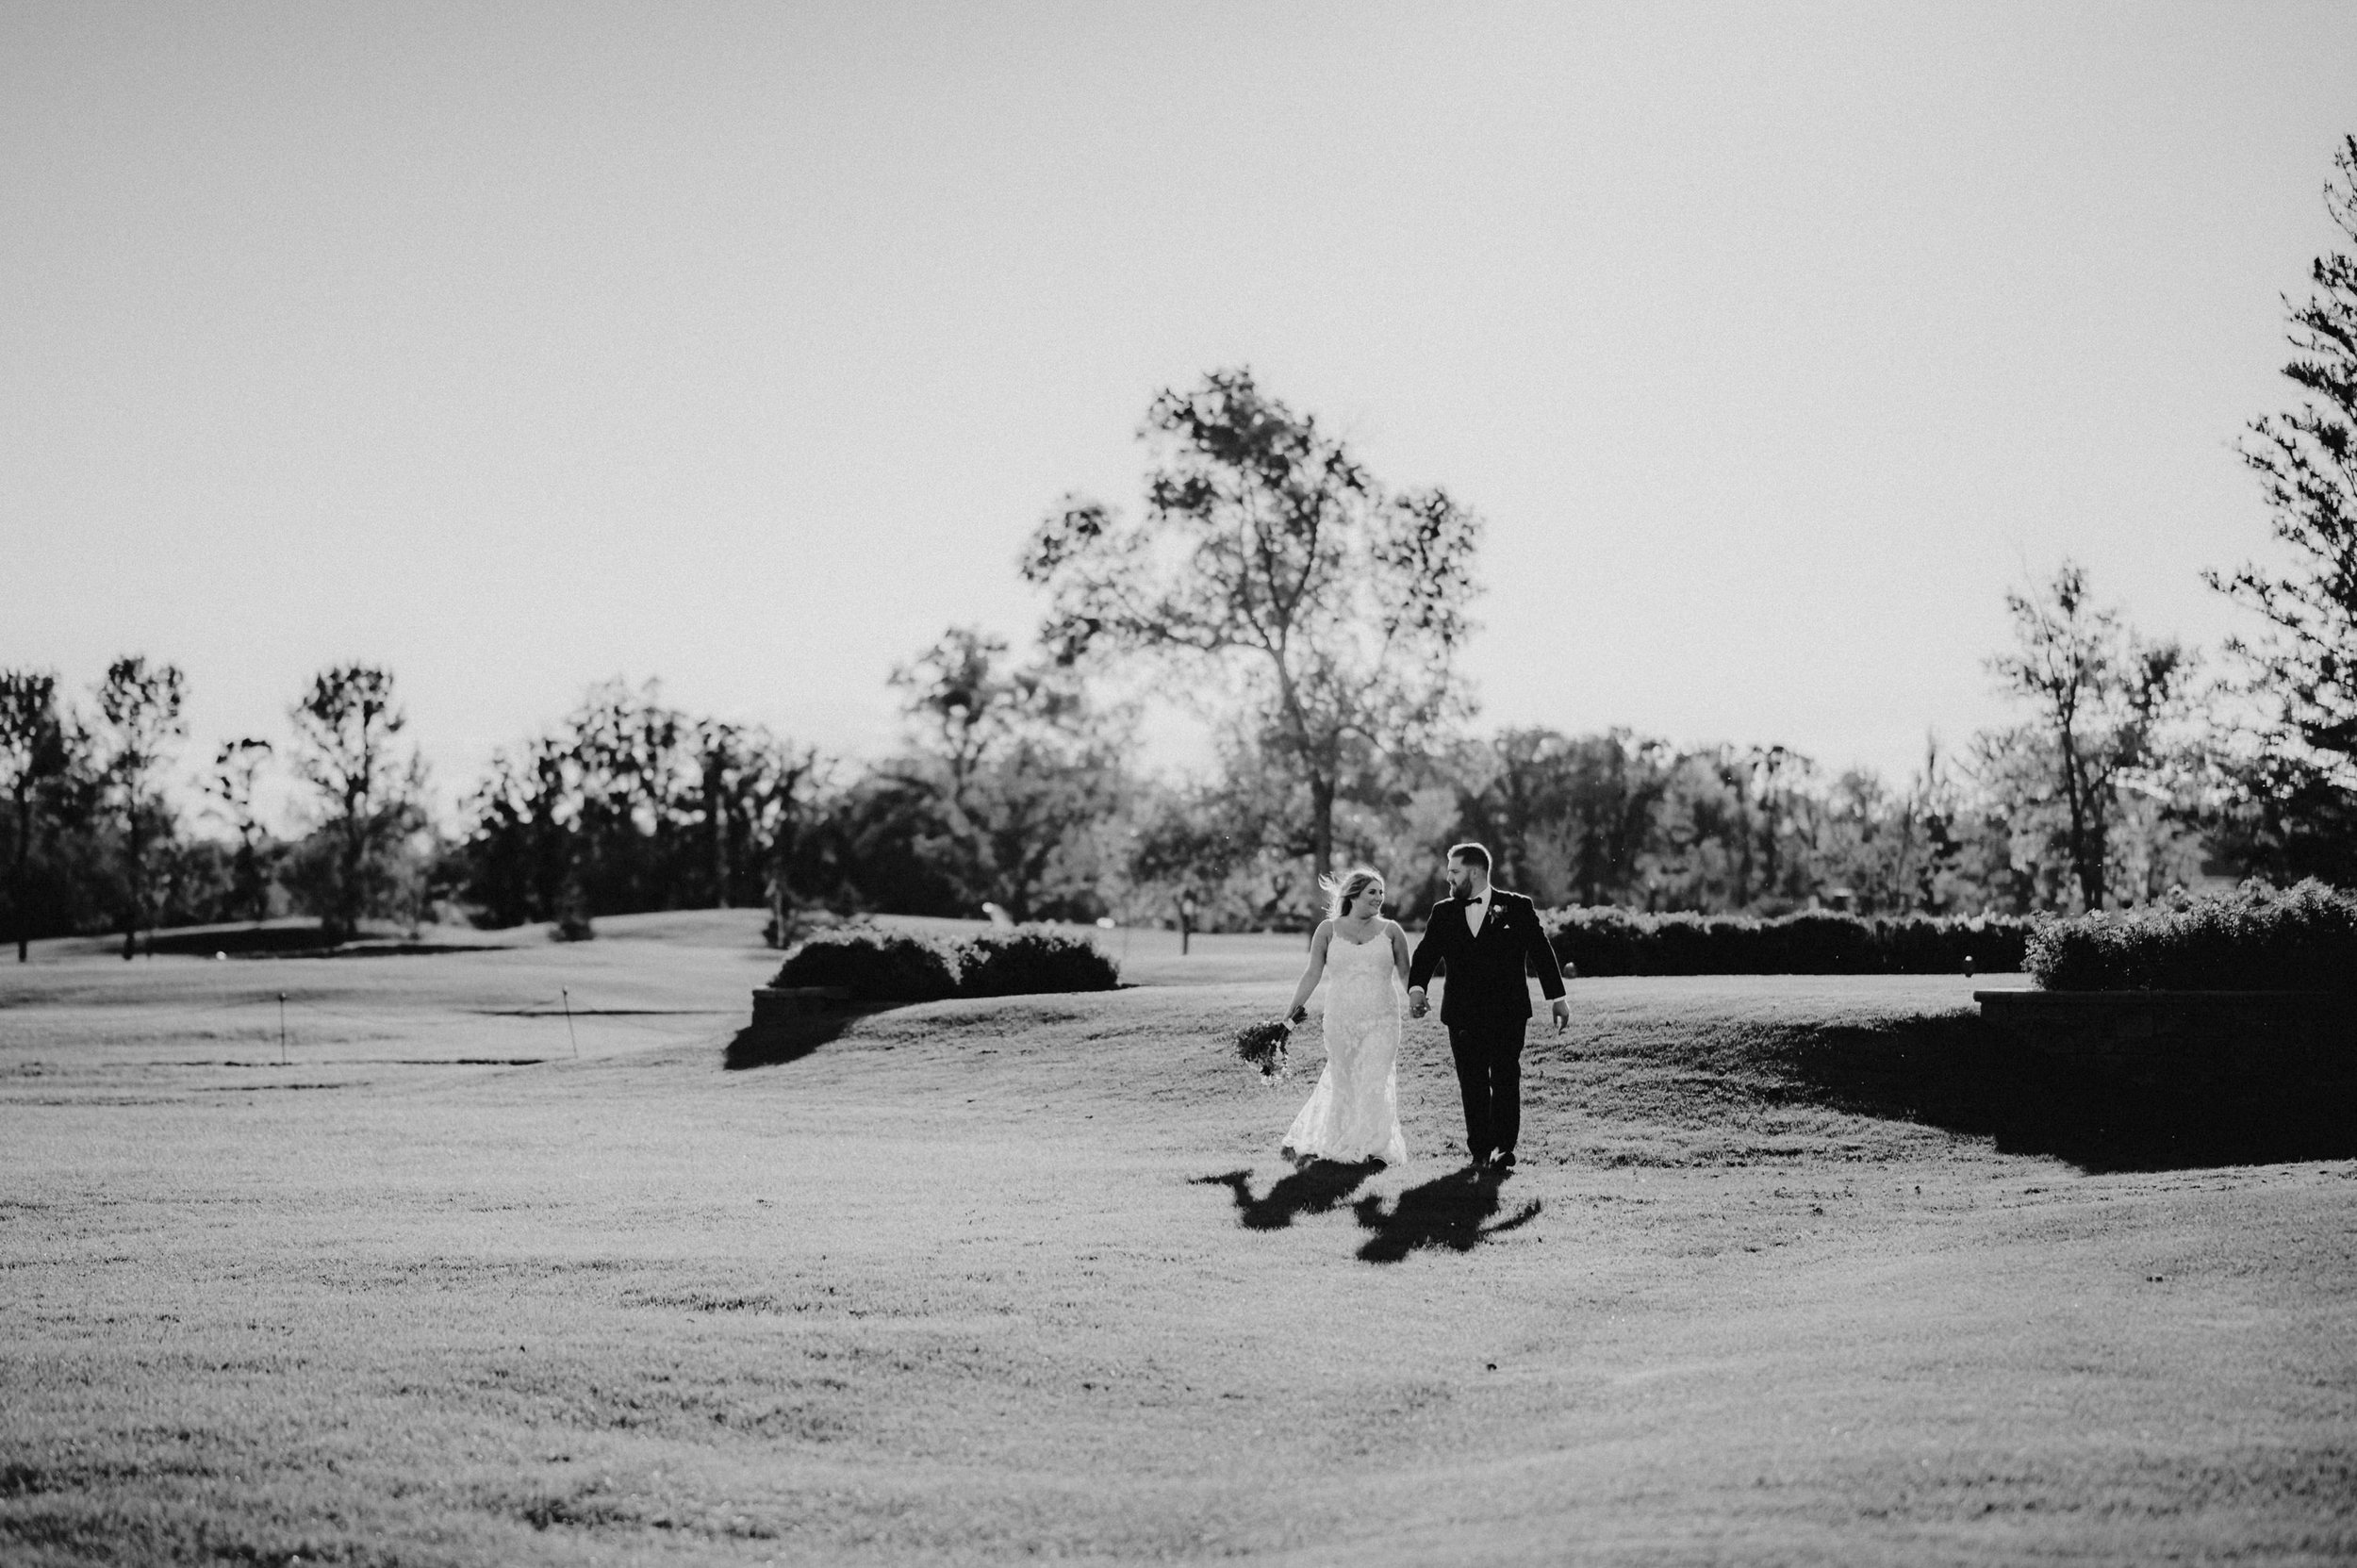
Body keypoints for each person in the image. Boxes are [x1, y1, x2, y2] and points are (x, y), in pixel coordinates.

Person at [1407, 842, 1570, 1173]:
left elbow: (1541, 951)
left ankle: (1503, 1149)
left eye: (1454, 871)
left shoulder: (1517, 907)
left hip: (1507, 1012)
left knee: (1507, 1077)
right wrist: (1416, 989)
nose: (1448, 878)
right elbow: (1425, 954)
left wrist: (1558, 998)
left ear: (1476, 871)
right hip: (1462, 1014)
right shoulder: (1444, 912)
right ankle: (1479, 1150)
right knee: (1473, 1082)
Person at [1278, 866, 1411, 1166]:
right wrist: (1290, 1011)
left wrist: (1416, 996)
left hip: (1383, 1018)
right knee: (1346, 1080)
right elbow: (1312, 973)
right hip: (1341, 1018)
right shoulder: (1327, 931)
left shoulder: (1391, 931)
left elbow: (1406, 973)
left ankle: (1375, 1150)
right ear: (1353, 895)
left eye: (1381, 892)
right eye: (1372, 892)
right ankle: (1341, 1143)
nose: (1379, 897)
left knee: (1375, 1078)